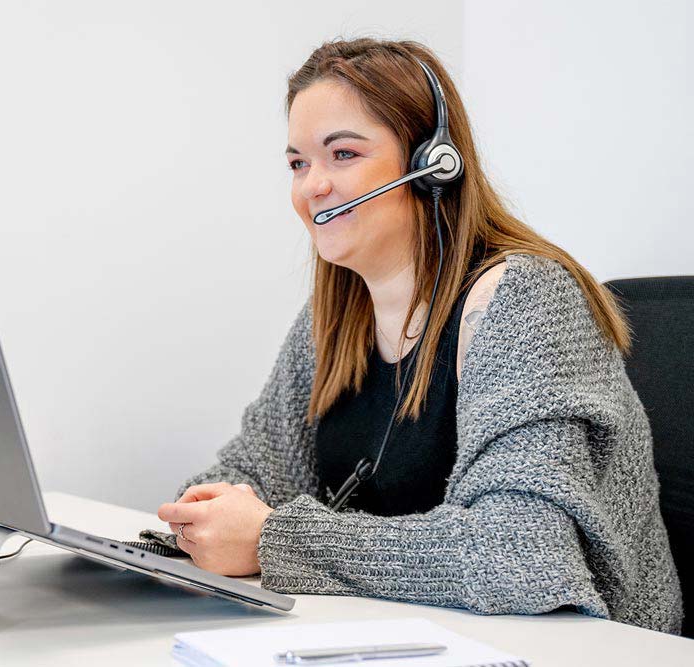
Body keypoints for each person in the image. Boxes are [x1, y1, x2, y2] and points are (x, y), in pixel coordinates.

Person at [155, 37, 683, 634]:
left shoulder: (525, 301)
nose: (312, 187)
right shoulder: (333, 315)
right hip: (422, 636)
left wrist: (278, 537)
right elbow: (254, 471)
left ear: (433, 165)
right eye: (298, 163)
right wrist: (199, 518)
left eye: (343, 154)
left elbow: (523, 556)